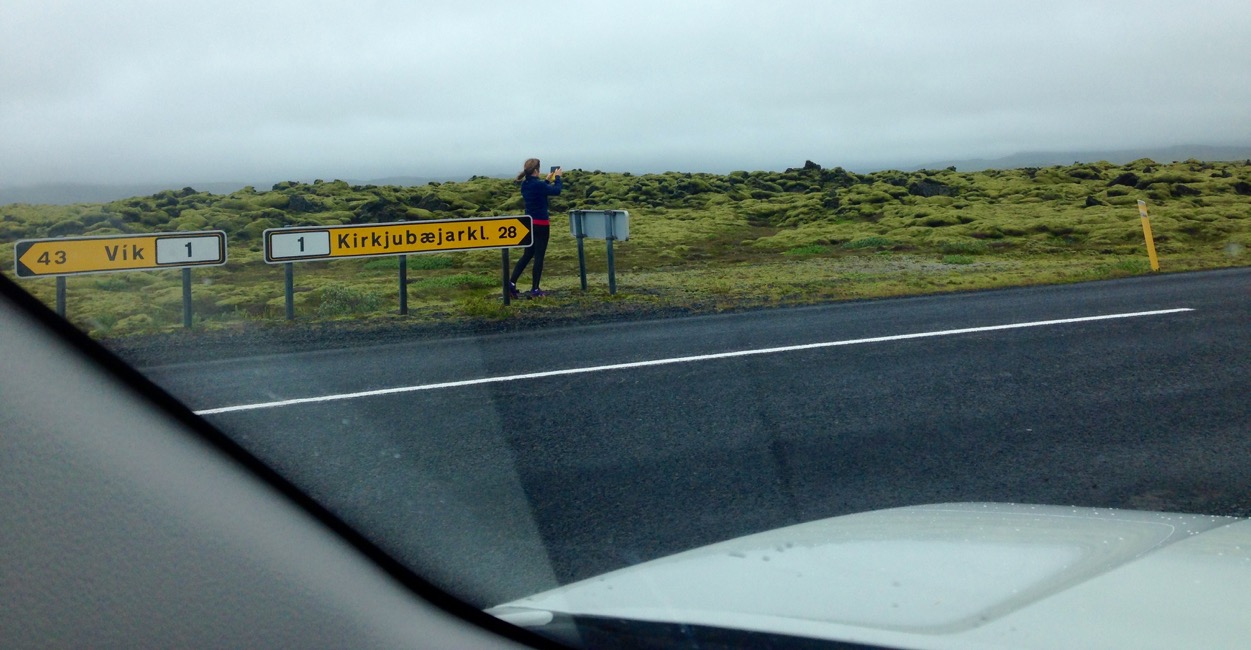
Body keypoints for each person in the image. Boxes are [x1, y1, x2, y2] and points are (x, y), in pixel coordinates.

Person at [509, 158, 562, 297]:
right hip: (541, 224)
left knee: (527, 254)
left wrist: (546, 180)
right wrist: (558, 178)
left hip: (529, 224)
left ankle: (511, 284)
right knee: (539, 257)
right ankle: (535, 289)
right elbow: (557, 191)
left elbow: (539, 190)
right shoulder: (538, 185)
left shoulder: (525, 184)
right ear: (536, 170)